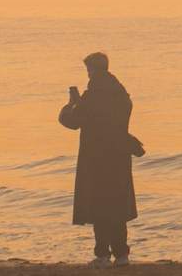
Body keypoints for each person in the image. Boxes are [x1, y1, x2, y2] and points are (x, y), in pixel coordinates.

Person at [59, 51, 143, 264]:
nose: (88, 74)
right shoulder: (122, 95)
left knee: (99, 206)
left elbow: (73, 121)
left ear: (94, 70)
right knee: (116, 205)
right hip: (120, 156)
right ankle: (122, 254)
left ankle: (102, 254)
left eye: (88, 70)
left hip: (97, 157)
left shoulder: (93, 95)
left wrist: (69, 106)